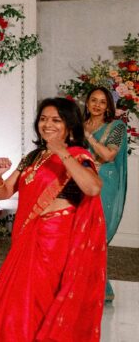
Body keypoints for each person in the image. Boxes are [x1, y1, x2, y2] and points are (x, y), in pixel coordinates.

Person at [0, 97, 106, 341]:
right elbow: (4, 192)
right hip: (27, 239)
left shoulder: (78, 156)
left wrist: (62, 153)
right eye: (44, 119)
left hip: (54, 244)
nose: (48, 125)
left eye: (56, 120)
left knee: (40, 301)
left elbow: (92, 188)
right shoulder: (33, 157)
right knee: (16, 301)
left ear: (70, 125)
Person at [81, 85, 128, 302]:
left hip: (104, 184)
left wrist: (88, 136)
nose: (97, 105)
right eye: (93, 100)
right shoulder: (78, 125)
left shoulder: (116, 127)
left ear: (109, 105)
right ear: (87, 103)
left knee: (97, 235)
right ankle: (84, 285)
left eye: (102, 101)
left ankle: (99, 288)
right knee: (79, 235)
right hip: (81, 184)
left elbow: (109, 155)